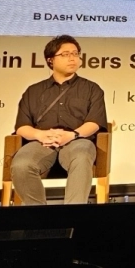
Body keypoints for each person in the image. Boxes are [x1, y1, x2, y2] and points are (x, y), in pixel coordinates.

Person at [11, 35, 108, 205]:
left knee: (81, 156)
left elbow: (94, 122)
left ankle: (72, 214)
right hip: (42, 142)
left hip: (77, 141)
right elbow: (22, 126)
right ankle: (37, 215)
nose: (72, 58)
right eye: (65, 54)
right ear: (50, 60)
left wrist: (72, 135)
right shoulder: (33, 91)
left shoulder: (92, 89)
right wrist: (40, 135)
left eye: (75, 54)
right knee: (21, 164)